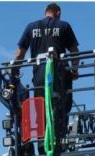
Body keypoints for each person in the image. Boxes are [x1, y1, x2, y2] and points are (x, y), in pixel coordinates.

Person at [13, 3, 80, 148]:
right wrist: (75, 69)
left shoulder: (31, 27)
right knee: (62, 104)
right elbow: (74, 51)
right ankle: (58, 138)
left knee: (40, 104)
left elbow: (20, 53)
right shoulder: (64, 26)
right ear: (58, 12)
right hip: (60, 72)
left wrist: (15, 70)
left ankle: (43, 141)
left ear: (45, 12)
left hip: (39, 74)